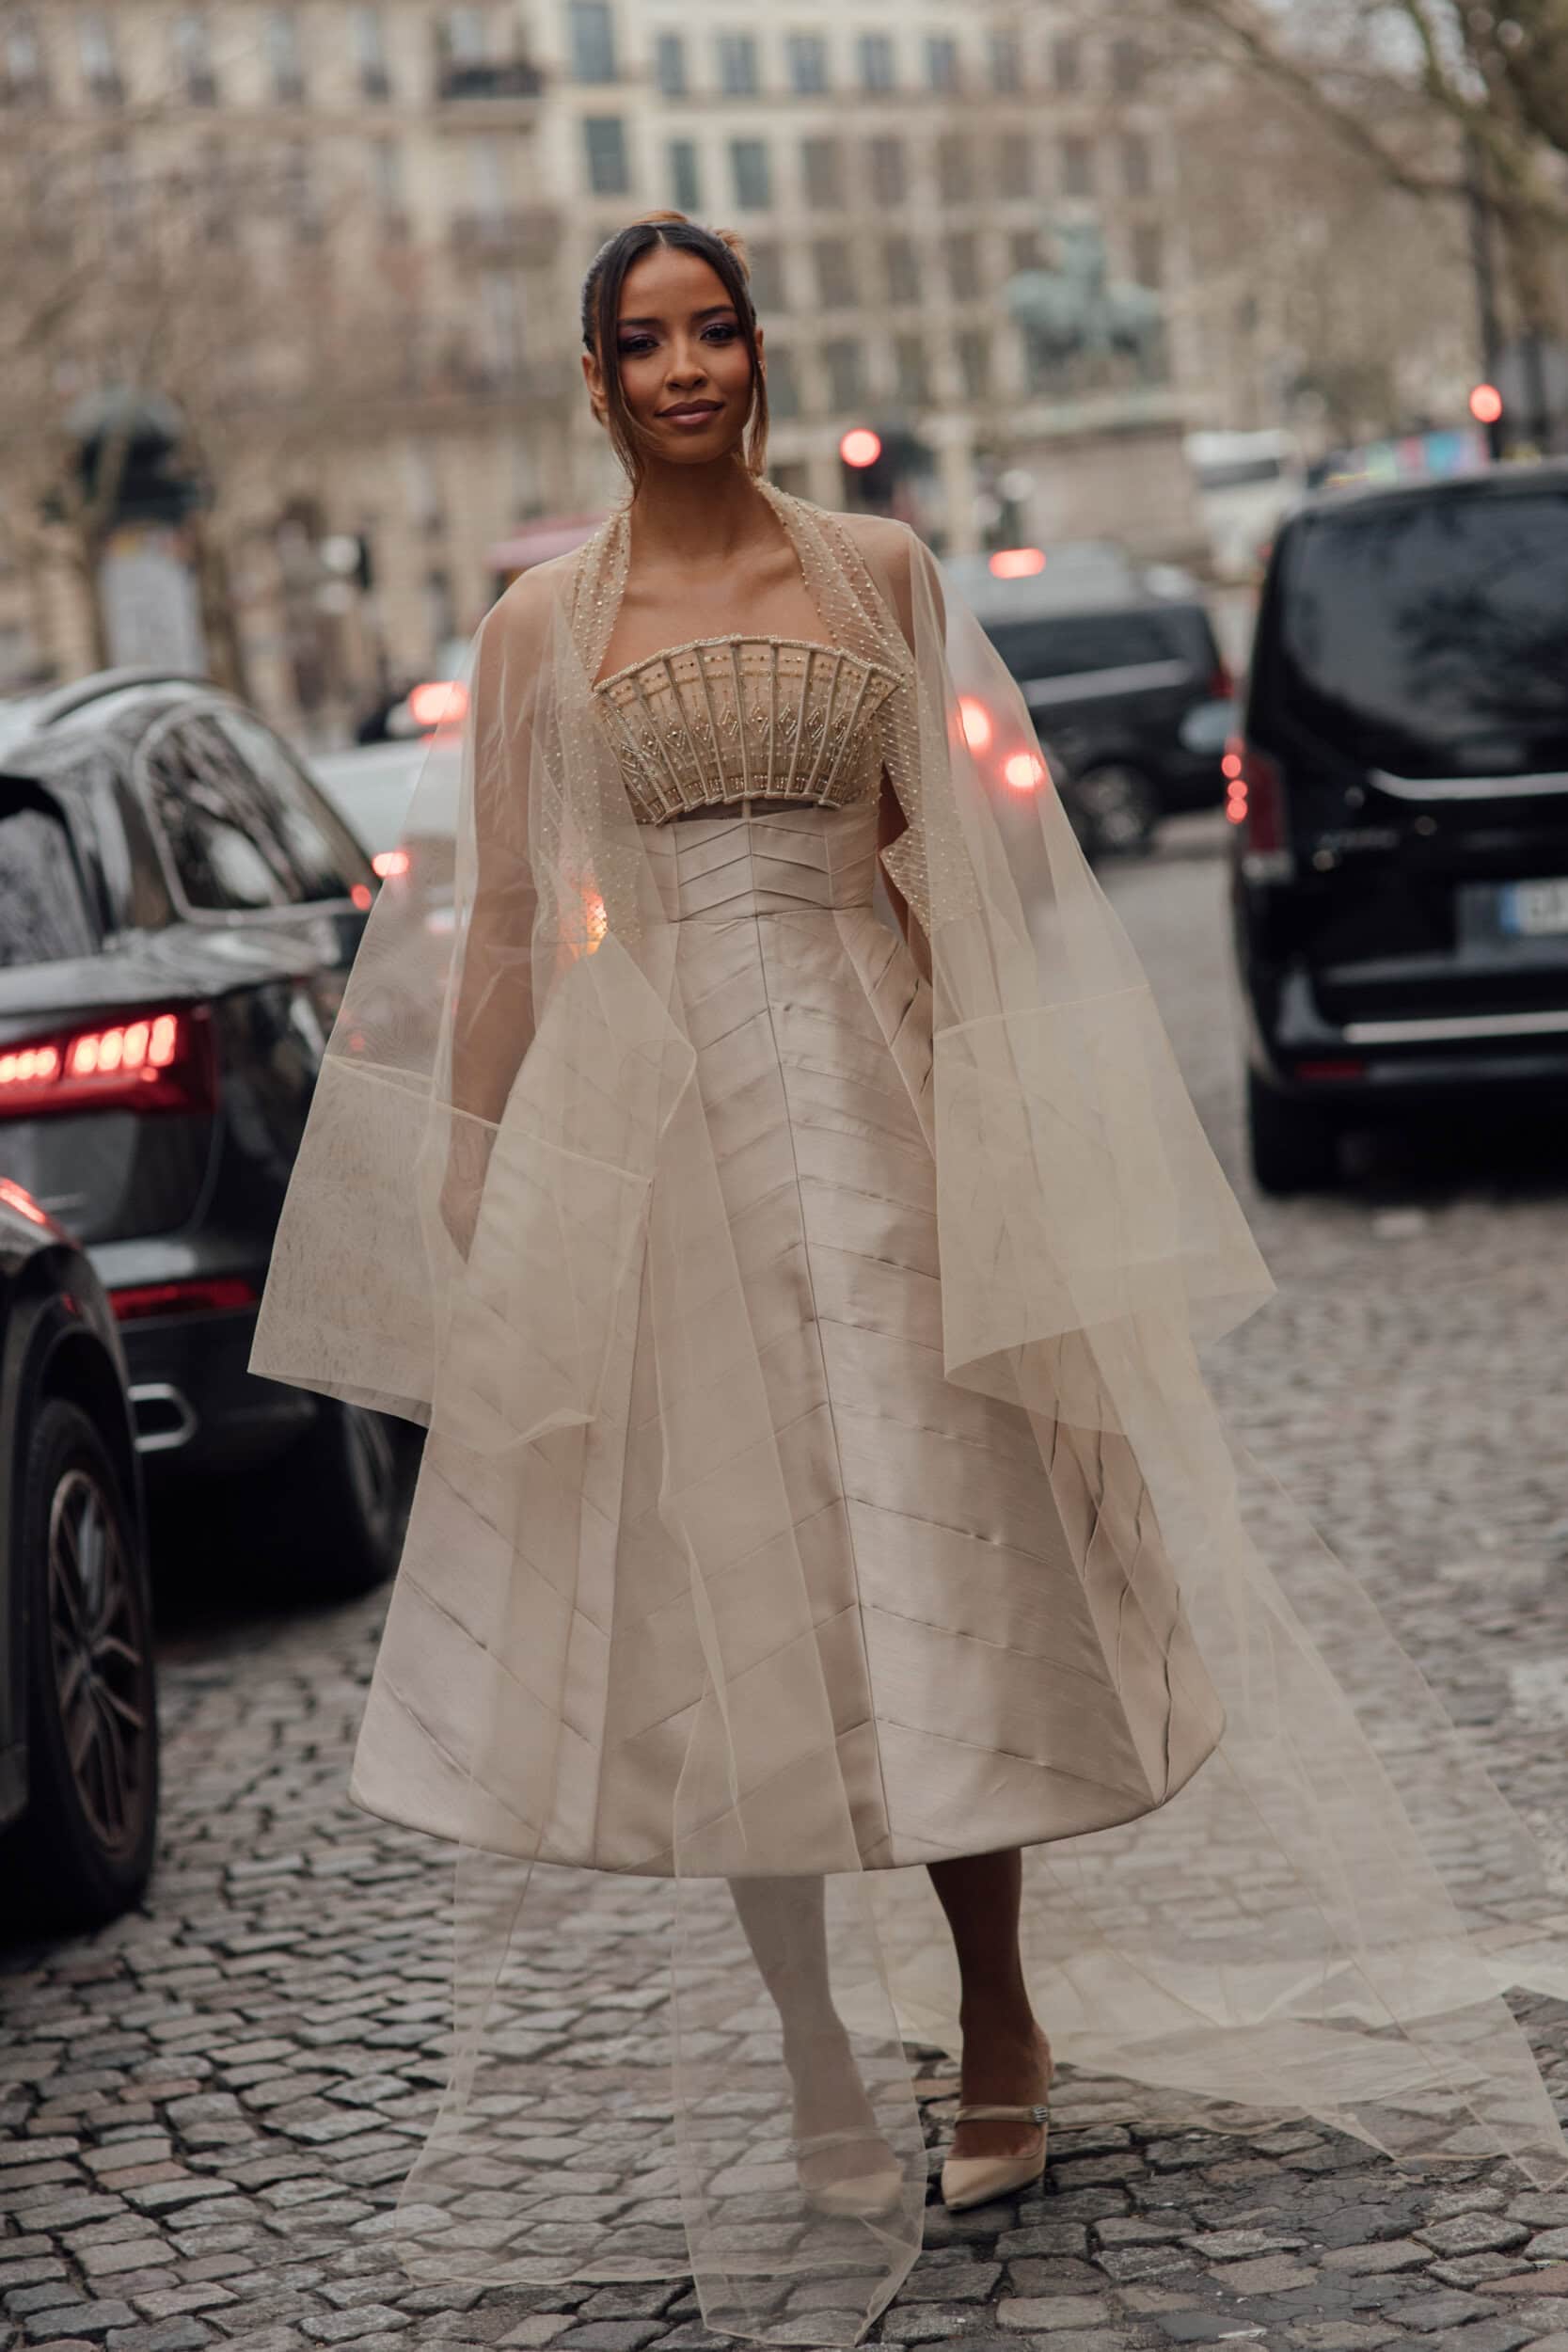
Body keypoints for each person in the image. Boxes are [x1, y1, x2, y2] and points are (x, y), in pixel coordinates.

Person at [251, 215, 1566, 2348]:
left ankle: (1000, 2006)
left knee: (942, 1548)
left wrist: (1022, 1153)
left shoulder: (877, 576)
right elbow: (496, 935)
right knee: (721, 1587)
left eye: (720, 328)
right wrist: (482, 1191)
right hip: (660, 1144)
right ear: (596, 381)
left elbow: (960, 881)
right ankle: (808, 2057)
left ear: (761, 350)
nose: (691, 367)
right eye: (647, 342)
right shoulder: (527, 629)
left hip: (878, 1126)